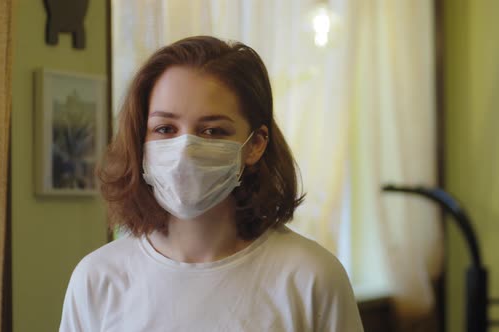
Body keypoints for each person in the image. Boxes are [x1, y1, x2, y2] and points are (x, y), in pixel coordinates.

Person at [59, 36, 363, 332]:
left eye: (213, 131)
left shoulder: (311, 277)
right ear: (141, 140)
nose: (185, 150)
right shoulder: (98, 278)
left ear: (255, 144)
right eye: (165, 129)